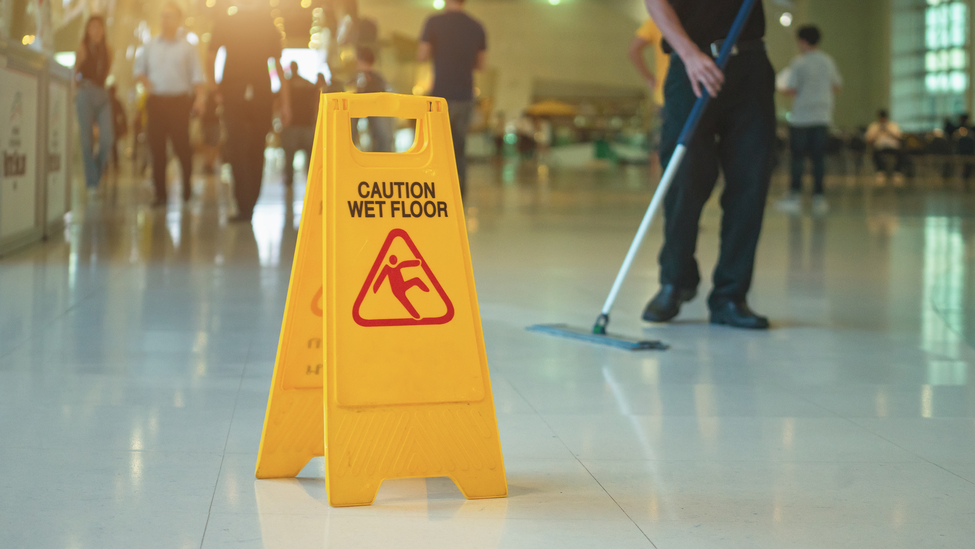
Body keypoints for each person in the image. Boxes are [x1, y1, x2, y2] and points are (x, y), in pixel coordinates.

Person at [641, 0, 775, 330]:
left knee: (750, 181)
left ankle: (731, 295)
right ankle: (675, 280)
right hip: (691, 64)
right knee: (684, 177)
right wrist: (688, 54)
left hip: (749, 66)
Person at [207, 1, 291, 222]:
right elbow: (278, 66)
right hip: (243, 93)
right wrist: (285, 103)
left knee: (245, 148)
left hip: (251, 93)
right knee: (247, 148)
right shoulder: (233, 21)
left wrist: (285, 102)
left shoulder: (259, 23)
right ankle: (247, 204)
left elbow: (210, 56)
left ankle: (248, 205)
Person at [134, 1, 206, 206]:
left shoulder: (187, 48)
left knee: (182, 147)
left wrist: (199, 99)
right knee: (157, 149)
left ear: (178, 20)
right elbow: (138, 70)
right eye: (163, 16)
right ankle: (160, 194)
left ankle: (187, 188)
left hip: (179, 103)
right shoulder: (150, 45)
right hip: (156, 102)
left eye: (170, 16)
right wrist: (148, 84)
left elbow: (197, 77)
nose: (165, 20)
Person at [417, 0, 486, 199]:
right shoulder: (476, 26)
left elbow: (422, 55)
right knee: (459, 148)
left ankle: (436, 193)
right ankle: (458, 196)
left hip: (440, 97)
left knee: (436, 147)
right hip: (465, 95)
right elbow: (481, 64)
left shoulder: (433, 22)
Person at [776, 25, 842, 215]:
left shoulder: (799, 62)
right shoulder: (828, 61)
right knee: (818, 159)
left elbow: (791, 89)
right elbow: (836, 86)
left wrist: (780, 88)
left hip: (801, 118)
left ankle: (795, 195)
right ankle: (818, 197)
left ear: (803, 41)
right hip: (822, 116)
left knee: (798, 158)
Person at [73, 15, 114, 195]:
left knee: (108, 137)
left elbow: (107, 71)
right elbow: (75, 73)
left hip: (102, 92)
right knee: (86, 139)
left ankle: (95, 172)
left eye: (99, 27)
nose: (96, 31)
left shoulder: (108, 49)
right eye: (92, 27)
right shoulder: (82, 48)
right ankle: (92, 183)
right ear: (87, 30)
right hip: (85, 91)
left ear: (103, 30)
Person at [281, 61, 319, 187]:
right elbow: (317, 96)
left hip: (292, 124)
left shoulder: (287, 84)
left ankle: (289, 181)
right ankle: (311, 180)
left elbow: (279, 101)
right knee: (310, 156)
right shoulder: (307, 83)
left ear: (291, 69)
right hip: (307, 124)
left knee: (289, 155)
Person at [349, 48, 393, 153]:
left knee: (351, 133)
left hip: (359, 110)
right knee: (379, 135)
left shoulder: (357, 78)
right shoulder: (378, 78)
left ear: (360, 60)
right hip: (377, 112)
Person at [628, 18, 670, 106]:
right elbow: (634, 50)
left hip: (665, 91)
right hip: (672, 91)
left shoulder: (656, 19)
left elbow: (634, 50)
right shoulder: (656, 20)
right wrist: (650, 79)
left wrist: (649, 79)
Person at [865, 109, 905, 186]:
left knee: (901, 153)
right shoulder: (874, 126)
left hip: (892, 147)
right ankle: (880, 171)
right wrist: (878, 132)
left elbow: (899, 138)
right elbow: (868, 140)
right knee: (875, 154)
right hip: (880, 147)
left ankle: (897, 172)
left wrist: (888, 131)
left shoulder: (893, 126)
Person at [108, 85, 128, 170]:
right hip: (114, 125)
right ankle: (115, 164)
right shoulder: (116, 102)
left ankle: (105, 165)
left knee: (108, 145)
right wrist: (124, 127)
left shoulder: (107, 101)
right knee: (114, 146)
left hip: (108, 125)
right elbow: (122, 115)